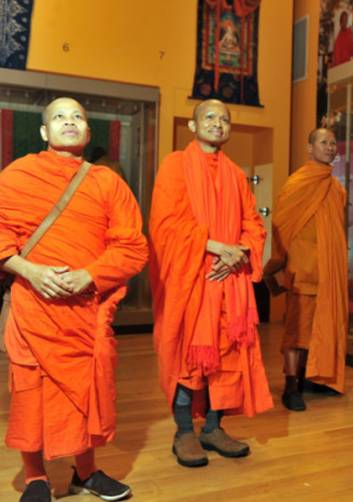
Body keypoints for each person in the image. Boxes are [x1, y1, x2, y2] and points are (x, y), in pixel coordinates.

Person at [0, 97, 148, 501]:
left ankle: (86, 471)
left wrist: (90, 275)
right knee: (30, 392)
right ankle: (35, 477)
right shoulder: (17, 176)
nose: (70, 121)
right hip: (32, 306)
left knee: (84, 391)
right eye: (60, 117)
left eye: (78, 116)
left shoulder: (107, 183)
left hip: (85, 309)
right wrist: (30, 271)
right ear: (45, 132)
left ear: (88, 132)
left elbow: (132, 246)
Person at [149, 99, 273, 468]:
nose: (218, 123)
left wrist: (241, 251)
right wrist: (217, 246)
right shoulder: (175, 165)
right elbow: (165, 223)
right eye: (209, 117)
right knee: (190, 355)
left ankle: (214, 426)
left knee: (228, 355)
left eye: (224, 119)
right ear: (192, 125)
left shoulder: (236, 173)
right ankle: (185, 430)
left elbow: (254, 223)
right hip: (192, 278)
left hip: (230, 281)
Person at [263, 128, 348, 411]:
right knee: (297, 330)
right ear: (309, 148)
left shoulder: (336, 188)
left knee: (322, 326)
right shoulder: (298, 182)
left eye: (333, 143)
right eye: (323, 142)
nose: (330, 147)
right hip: (303, 269)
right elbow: (282, 227)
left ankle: (312, 377)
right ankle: (290, 385)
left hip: (329, 270)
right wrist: (278, 264)